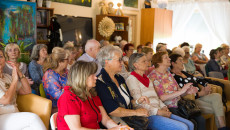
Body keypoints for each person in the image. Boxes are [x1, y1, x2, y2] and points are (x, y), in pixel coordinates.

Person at [57, 61, 132, 130]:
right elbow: (76, 129)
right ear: (82, 77)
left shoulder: (92, 94)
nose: (96, 77)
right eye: (92, 75)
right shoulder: (68, 97)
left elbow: (105, 119)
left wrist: (119, 128)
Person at [126, 53, 194, 130]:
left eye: (147, 61)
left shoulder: (147, 79)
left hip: (158, 109)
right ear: (136, 65)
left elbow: (156, 97)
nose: (147, 63)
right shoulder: (132, 79)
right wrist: (158, 112)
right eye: (144, 61)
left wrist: (164, 107)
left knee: (190, 124)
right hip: (148, 115)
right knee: (183, 127)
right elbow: (138, 104)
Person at [148, 52, 206, 130]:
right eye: (166, 57)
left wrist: (187, 92)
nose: (169, 59)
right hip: (168, 107)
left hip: (180, 104)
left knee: (201, 120)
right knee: (192, 123)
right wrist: (181, 91)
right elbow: (161, 98)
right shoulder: (154, 76)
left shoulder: (167, 73)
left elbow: (179, 92)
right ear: (158, 62)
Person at [170, 53, 228, 129]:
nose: (183, 62)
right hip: (190, 101)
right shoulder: (173, 77)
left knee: (217, 96)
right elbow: (182, 93)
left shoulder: (184, 73)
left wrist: (206, 85)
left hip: (200, 97)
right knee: (218, 108)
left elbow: (198, 80)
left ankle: (222, 127)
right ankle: (222, 127)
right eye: (180, 60)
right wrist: (200, 94)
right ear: (173, 63)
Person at [96, 45, 149, 126]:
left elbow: (129, 101)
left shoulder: (119, 77)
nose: (122, 62)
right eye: (119, 60)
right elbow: (113, 111)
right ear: (107, 61)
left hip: (128, 118)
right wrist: (136, 112)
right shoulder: (101, 82)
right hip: (114, 123)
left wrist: (138, 101)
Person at [0, 49, 46, 130]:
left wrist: (19, 72)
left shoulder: (7, 77)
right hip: (2, 117)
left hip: (14, 115)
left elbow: (27, 90)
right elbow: (5, 100)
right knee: (33, 119)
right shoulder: (12, 79)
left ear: (5, 59)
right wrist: (14, 80)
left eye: (0, 57)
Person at [43, 47, 69, 113]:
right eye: (67, 59)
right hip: (57, 107)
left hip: (69, 102)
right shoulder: (50, 75)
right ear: (60, 62)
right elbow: (59, 96)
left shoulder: (66, 71)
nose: (69, 61)